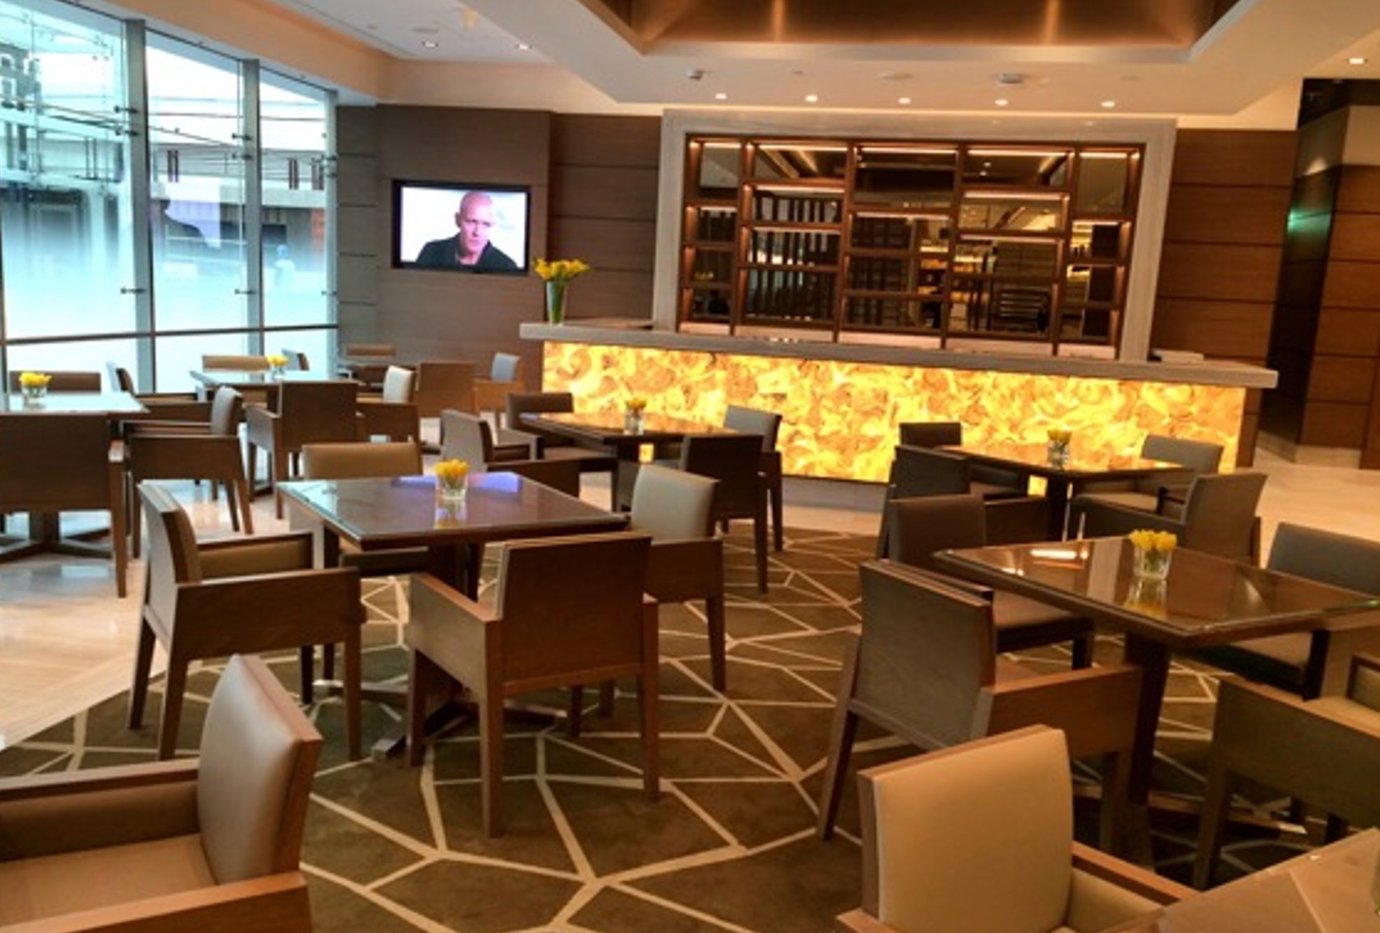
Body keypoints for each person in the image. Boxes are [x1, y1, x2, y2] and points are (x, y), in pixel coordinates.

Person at [414, 191, 518, 271]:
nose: (477, 232)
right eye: (472, 222)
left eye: (485, 224)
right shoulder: (431, 253)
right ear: (457, 220)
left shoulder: (507, 266)